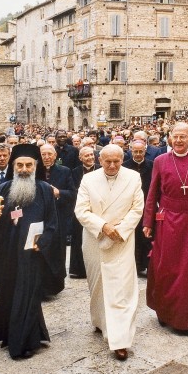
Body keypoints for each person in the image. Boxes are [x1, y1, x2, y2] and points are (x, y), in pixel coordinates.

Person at [0, 144, 59, 359]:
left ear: (35, 166)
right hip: (6, 254)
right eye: (19, 165)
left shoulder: (45, 190)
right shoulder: (2, 190)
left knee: (27, 296)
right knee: (8, 294)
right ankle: (9, 334)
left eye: (29, 165)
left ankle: (23, 344)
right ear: (13, 166)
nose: (24, 169)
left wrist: (44, 241)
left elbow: (52, 224)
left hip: (31, 254)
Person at [142, 122, 188, 337]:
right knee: (165, 267)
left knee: (187, 271)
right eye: (176, 136)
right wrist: (147, 222)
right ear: (169, 137)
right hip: (167, 221)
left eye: (184, 137)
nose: (180, 141)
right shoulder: (160, 161)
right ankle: (164, 311)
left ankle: (183, 321)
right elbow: (152, 193)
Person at [74, 145, 144, 361]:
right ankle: (100, 321)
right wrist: (103, 226)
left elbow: (137, 209)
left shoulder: (134, 177)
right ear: (99, 160)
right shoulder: (88, 180)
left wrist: (120, 230)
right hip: (95, 239)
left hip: (122, 239)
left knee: (121, 290)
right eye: (107, 161)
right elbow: (81, 210)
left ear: (123, 160)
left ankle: (120, 340)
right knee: (98, 286)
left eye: (117, 161)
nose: (112, 166)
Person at [40, 143, 74, 295]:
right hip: (39, 219)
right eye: (43, 154)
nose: (47, 157)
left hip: (58, 217)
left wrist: (58, 192)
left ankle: (55, 285)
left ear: (55, 156)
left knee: (57, 252)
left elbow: (73, 194)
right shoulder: (35, 171)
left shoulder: (65, 171)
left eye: (50, 154)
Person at [123, 138, 154, 275]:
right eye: (135, 151)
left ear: (145, 151)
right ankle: (135, 266)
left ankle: (148, 265)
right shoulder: (124, 166)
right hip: (131, 206)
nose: (138, 154)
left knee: (147, 237)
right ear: (131, 151)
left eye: (141, 151)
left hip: (148, 204)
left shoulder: (152, 165)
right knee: (133, 237)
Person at [70, 146, 100, 279]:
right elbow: (73, 190)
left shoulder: (100, 169)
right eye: (86, 156)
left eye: (91, 155)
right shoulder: (75, 172)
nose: (90, 158)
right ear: (80, 158)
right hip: (81, 208)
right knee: (78, 238)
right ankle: (79, 269)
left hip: (98, 209)